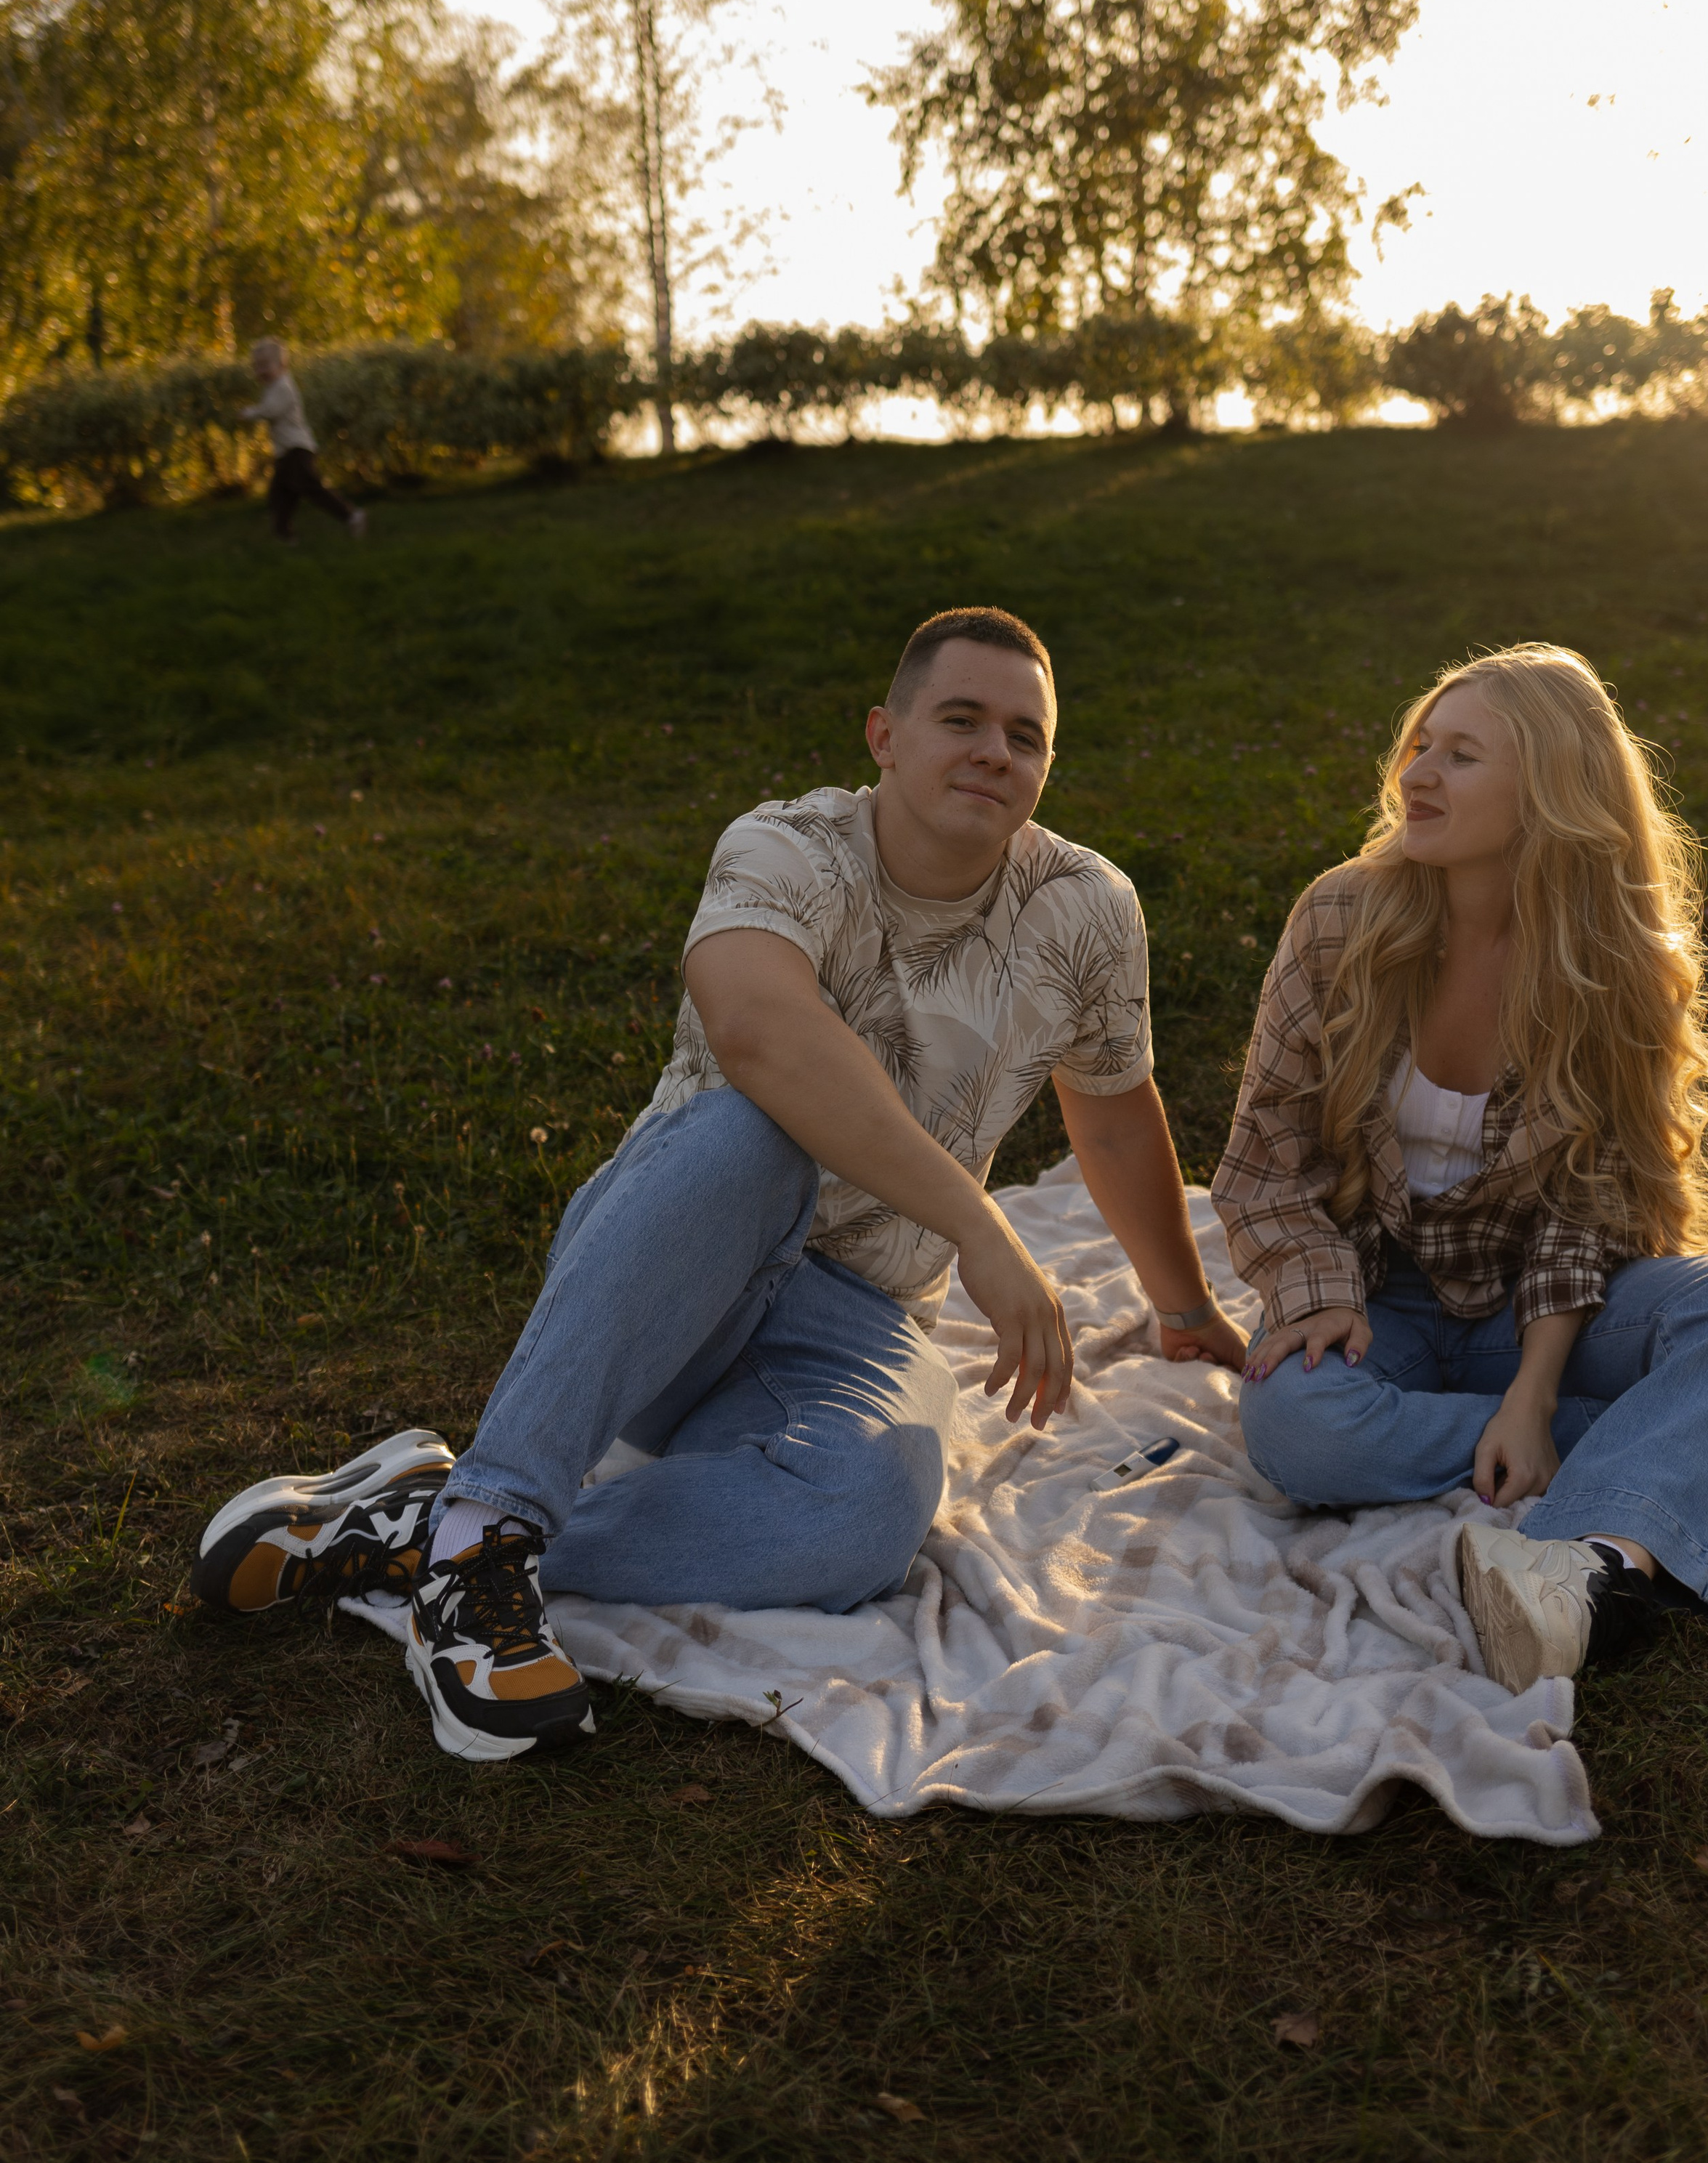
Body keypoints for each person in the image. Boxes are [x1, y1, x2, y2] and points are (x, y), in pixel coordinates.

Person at [193, 607, 1248, 1760]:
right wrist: (982, 1230)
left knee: (868, 1513)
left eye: (1026, 735)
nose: (996, 750)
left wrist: (1185, 1309)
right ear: (883, 735)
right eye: (962, 719)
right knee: (756, 1132)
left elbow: (1110, 1118)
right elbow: (760, 1036)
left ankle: (428, 1524)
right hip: (682, 1262)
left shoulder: (1087, 908)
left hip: (862, 1317)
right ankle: (482, 1546)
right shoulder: (786, 846)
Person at [1214, 641, 1708, 1696]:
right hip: (1386, 1300)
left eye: (1461, 755)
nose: (1417, 772)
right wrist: (1314, 1293)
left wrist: (1534, 1392)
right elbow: (1263, 1151)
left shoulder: (1611, 961)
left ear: (1550, 788)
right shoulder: (1339, 917)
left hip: (1550, 1299)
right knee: (1295, 1427)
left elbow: (1590, 1205)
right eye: (1422, 744)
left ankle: (1592, 1551)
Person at [240, 336, 365, 545]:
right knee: (280, 495)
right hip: (286, 452)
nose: (260, 372)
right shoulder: (273, 386)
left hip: (297, 449)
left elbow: (271, 411)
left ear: (282, 365)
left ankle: (352, 516)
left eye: (264, 366)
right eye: (256, 367)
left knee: (311, 488)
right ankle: (284, 535)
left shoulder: (283, 387)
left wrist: (249, 413)